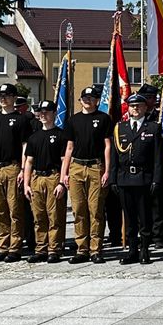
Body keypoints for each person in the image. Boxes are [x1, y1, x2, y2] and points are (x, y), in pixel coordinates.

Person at [61, 85, 112, 264]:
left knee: (96, 209)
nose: (88, 100)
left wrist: (107, 170)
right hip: (76, 167)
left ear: (97, 100)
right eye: (85, 98)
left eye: (92, 98)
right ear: (80, 100)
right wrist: (64, 174)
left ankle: (96, 249)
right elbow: (69, 148)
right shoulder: (73, 120)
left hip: (95, 167)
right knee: (79, 209)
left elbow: (108, 146)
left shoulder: (104, 118)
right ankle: (82, 248)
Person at [110, 94, 162, 264]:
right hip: (124, 178)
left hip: (144, 178)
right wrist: (113, 179)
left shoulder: (153, 128)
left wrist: (156, 179)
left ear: (145, 108)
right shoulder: (120, 128)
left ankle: (145, 250)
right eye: (133, 106)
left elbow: (157, 157)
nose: (136, 109)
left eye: (139, 106)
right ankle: (132, 250)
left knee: (144, 217)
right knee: (129, 217)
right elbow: (114, 157)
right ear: (128, 108)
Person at [0, 83, 31, 262]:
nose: (3, 99)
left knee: (14, 210)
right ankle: (3, 246)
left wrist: (23, 168)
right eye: (1, 96)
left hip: (12, 167)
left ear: (13, 98)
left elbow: (25, 146)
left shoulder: (21, 119)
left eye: (6, 96)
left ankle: (15, 247)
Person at [23, 100, 66, 263]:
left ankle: (54, 249)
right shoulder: (34, 137)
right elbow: (28, 162)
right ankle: (41, 248)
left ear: (54, 114)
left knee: (54, 215)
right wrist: (27, 184)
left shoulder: (61, 135)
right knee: (38, 216)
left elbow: (64, 161)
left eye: (47, 112)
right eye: (40, 112)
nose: (43, 115)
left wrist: (62, 182)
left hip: (53, 177)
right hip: (37, 178)